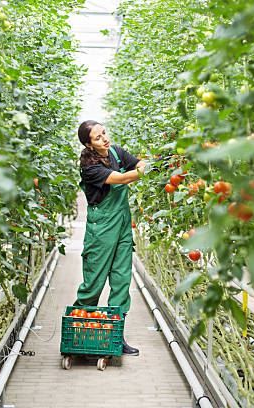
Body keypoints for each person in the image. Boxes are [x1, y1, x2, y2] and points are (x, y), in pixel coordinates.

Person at [73, 120, 147, 356]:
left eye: (104, 133)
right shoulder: (89, 167)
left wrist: (147, 165)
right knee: (93, 283)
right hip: (102, 228)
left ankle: (116, 337)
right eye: (97, 137)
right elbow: (123, 178)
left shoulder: (116, 151)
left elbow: (137, 163)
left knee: (121, 280)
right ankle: (79, 335)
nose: (104, 138)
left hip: (123, 226)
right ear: (88, 144)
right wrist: (146, 170)